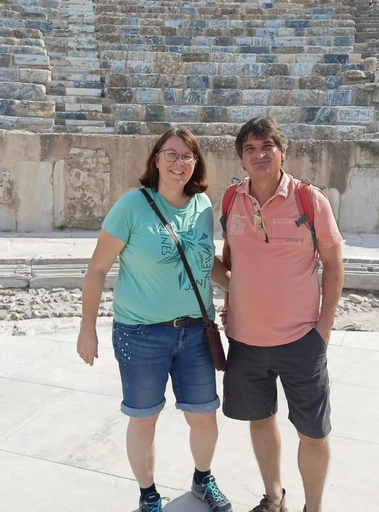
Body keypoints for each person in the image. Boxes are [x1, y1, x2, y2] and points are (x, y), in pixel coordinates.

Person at [76, 128, 232, 512]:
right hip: (140, 334)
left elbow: (202, 260)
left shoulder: (203, 206)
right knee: (144, 420)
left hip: (196, 332)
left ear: (196, 163)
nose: (180, 163)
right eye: (172, 154)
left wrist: (239, 288)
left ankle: (202, 478)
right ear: (156, 159)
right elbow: (97, 269)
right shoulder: (133, 205)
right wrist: (87, 329)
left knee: (204, 418)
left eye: (188, 156)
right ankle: (149, 495)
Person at [220, 117, 344, 512]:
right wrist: (238, 293)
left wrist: (323, 329)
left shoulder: (310, 199)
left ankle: (313, 508)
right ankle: (274, 499)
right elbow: (228, 262)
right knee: (261, 419)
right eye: (250, 149)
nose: (259, 154)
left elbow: (334, 264)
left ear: (281, 153)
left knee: (313, 432)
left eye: (266, 146)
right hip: (245, 339)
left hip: (301, 341)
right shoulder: (230, 200)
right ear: (241, 159)